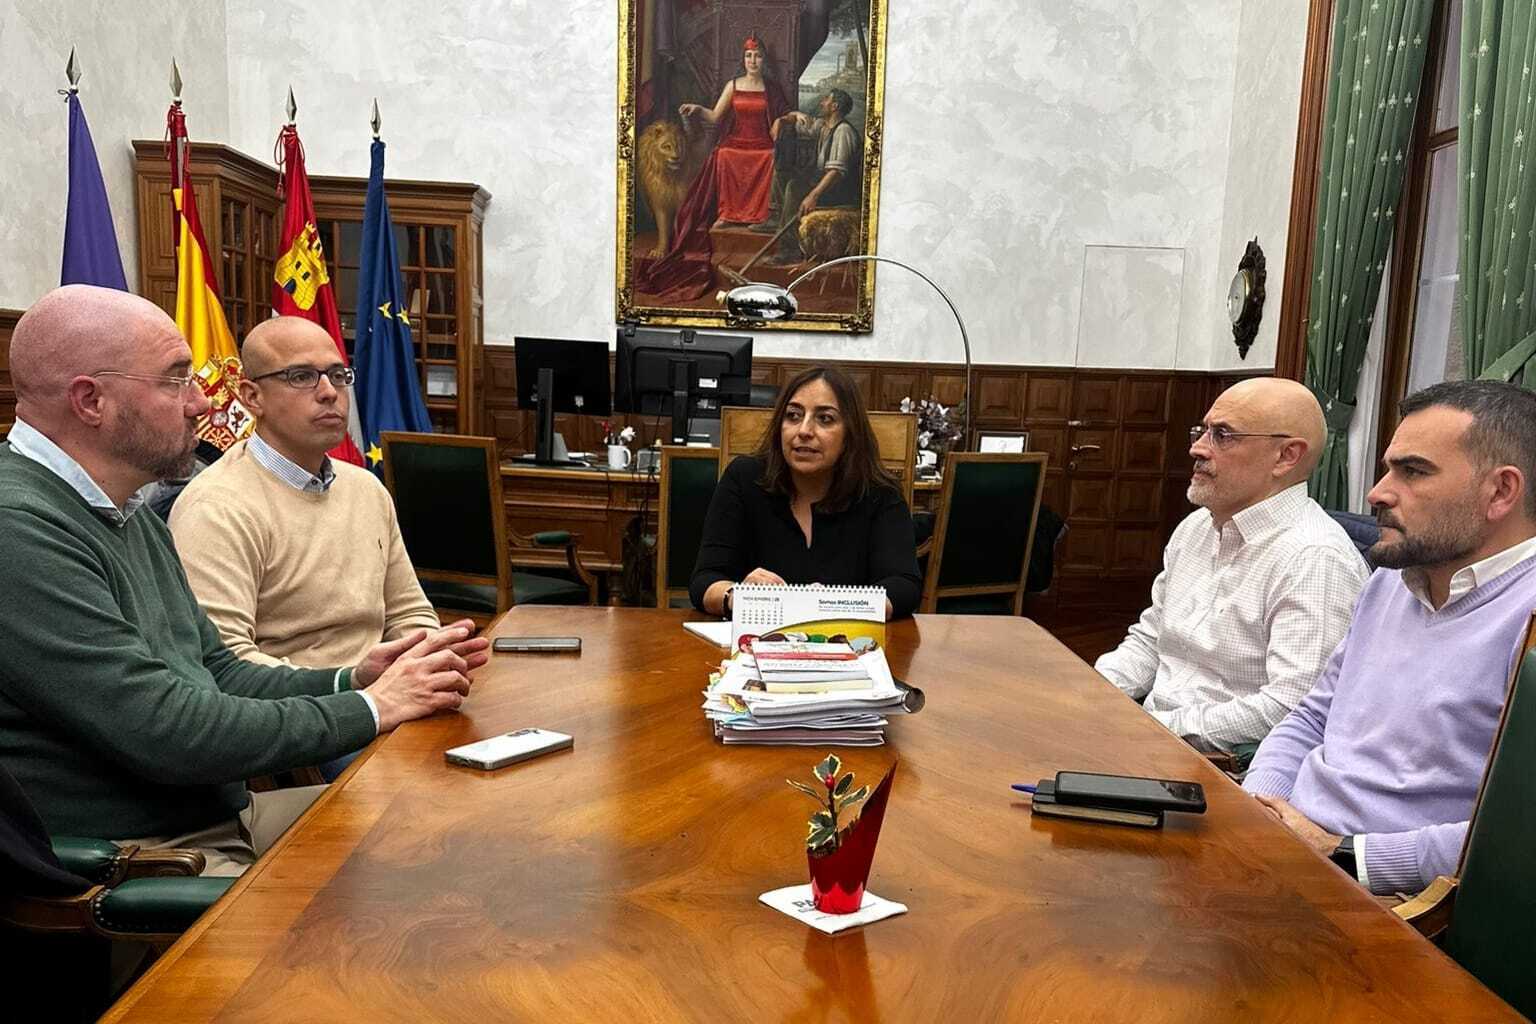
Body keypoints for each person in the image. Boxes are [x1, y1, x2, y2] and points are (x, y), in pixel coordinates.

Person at [0, 285, 488, 876]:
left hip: (218, 818)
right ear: (90, 400)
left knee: (459, 823)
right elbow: (167, 730)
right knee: (410, 899)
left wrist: (352, 677)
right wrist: (369, 708)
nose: (202, 403)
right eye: (177, 379)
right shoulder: (20, 528)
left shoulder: (121, 507)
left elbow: (219, 671)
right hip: (149, 858)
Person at [1243, 380, 1536, 896]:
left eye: (1414, 471)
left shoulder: (1527, 620)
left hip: (1393, 897)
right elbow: (1313, 717)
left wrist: (1344, 855)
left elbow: (1516, 835)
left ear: (1501, 492)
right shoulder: (1391, 581)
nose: (1378, 492)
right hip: (1288, 850)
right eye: (1387, 467)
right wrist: (1259, 809)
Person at [168, 316, 441, 780]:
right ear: (252, 397)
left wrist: (428, 660)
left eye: (338, 375)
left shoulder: (366, 489)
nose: (329, 391)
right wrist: (362, 697)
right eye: (301, 377)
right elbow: (223, 663)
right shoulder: (215, 507)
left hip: (392, 700)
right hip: (312, 727)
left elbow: (410, 613)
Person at [1094, 377, 1368, 754]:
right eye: (1202, 431)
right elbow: (1152, 639)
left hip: (1224, 767)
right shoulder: (1196, 527)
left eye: (1222, 435)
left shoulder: (1315, 558)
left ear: (1286, 456)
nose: (1197, 448)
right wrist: (1093, 695)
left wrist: (1148, 728)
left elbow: (1289, 708)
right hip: (1153, 738)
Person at [690, 366, 921, 620]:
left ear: (850, 433)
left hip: (849, 646)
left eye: (825, 419)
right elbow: (705, 580)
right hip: (756, 646)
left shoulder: (880, 492)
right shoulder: (744, 478)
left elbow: (904, 586)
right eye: (793, 416)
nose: (804, 431)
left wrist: (835, 605)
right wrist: (739, 596)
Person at [635, 36, 791, 300]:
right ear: (743, 60)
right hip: (737, 139)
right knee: (724, 154)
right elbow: (716, 116)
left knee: (767, 156)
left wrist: (782, 120)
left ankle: (760, 215)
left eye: (758, 56)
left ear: (764, 60)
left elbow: (784, 112)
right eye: (749, 56)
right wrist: (698, 109)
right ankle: (729, 213)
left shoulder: (772, 88)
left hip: (762, 141)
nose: (753, 61)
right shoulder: (733, 85)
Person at [761, 88, 862, 262]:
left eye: (826, 100)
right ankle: (776, 216)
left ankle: (790, 249)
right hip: (821, 181)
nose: (821, 102)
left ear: (834, 106)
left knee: (794, 187)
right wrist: (781, 120)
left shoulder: (843, 131)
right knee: (782, 171)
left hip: (838, 190)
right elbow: (798, 122)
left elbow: (836, 172)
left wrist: (813, 196)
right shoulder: (823, 125)